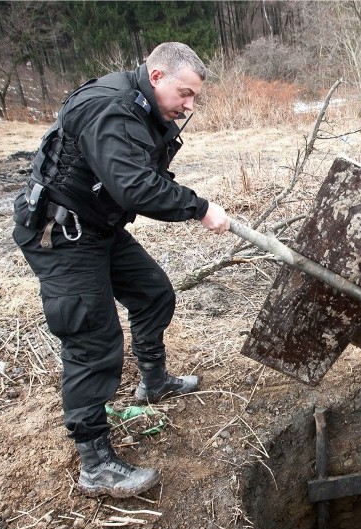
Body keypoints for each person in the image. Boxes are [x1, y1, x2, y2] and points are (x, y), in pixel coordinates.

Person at [12, 42, 230, 499]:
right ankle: (96, 464)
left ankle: (153, 380)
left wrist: (186, 198)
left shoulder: (143, 109)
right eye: (185, 93)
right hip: (61, 232)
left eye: (194, 97)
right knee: (93, 340)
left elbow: (144, 173)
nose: (189, 105)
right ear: (156, 77)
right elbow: (134, 187)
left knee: (153, 292)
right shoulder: (108, 109)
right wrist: (200, 208)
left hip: (97, 227)